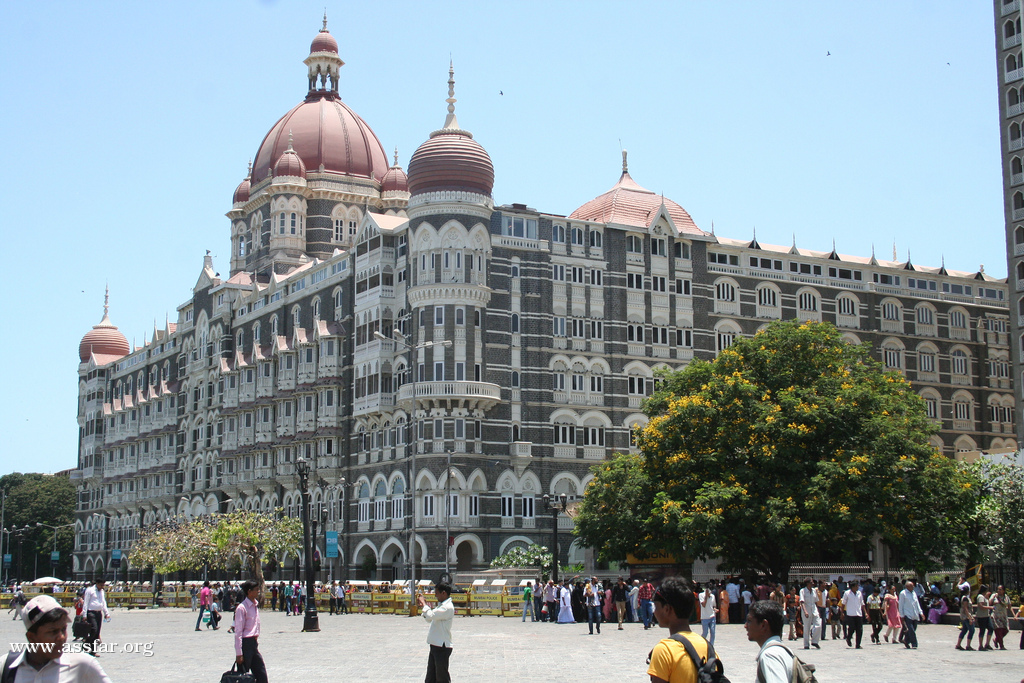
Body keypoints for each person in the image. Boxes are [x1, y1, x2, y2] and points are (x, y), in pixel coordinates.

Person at [0, 594, 111, 682]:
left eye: (63, 629)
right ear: (31, 637)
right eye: (53, 631)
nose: (61, 637)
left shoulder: (82, 665)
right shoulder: (6, 667)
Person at [647, 577, 708, 683]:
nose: (654, 612)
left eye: (656, 607)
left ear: (667, 609)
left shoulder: (664, 650)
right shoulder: (707, 646)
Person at [746, 599, 794, 683]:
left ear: (763, 625)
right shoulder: (785, 651)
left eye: (749, 621)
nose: (745, 626)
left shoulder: (770, 655)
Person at [417, 580, 454, 683]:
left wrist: (424, 604)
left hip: (442, 646)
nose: (435, 596)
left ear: (444, 593)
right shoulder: (442, 605)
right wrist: (425, 608)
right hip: (435, 645)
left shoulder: (447, 607)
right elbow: (429, 618)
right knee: (431, 677)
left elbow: (431, 615)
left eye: (437, 593)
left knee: (442, 677)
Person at [232, 581, 266, 683]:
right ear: (249, 592)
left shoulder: (255, 605)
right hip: (245, 643)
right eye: (256, 590)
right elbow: (238, 632)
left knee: (261, 675)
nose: (258, 592)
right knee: (242, 677)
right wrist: (239, 653)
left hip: (253, 643)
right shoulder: (242, 608)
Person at [82, 578, 110, 657]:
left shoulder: (101, 591)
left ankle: (92, 651)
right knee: (94, 629)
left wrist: (106, 613)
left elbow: (103, 602)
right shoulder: (90, 590)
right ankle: (86, 645)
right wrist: (84, 615)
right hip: (91, 612)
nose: (102, 587)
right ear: (97, 584)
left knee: (97, 633)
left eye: (103, 585)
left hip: (99, 613)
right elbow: (86, 602)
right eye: (101, 585)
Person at [898, 580, 924, 649]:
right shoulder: (903, 593)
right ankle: (914, 644)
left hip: (914, 614)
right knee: (911, 630)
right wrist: (901, 615)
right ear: (907, 587)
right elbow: (901, 605)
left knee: (913, 629)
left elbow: (917, 603)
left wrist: (921, 612)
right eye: (912, 586)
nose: (913, 587)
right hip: (907, 614)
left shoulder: (914, 593)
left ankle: (906, 640)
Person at [798, 578, 821, 650]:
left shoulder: (814, 591)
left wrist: (818, 611)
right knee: (806, 627)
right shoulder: (802, 591)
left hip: (814, 610)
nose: (813, 583)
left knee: (818, 624)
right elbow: (802, 602)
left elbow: (816, 601)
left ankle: (814, 641)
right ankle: (806, 644)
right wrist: (805, 611)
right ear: (807, 583)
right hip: (806, 610)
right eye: (811, 582)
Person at [956, 585, 976, 651]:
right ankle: (968, 645)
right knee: (972, 630)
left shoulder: (963, 597)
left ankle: (958, 644)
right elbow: (965, 608)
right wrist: (970, 618)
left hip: (965, 616)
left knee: (964, 630)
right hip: (966, 616)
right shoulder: (965, 599)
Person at [698, 581, 718, 647]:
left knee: (713, 633)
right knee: (705, 633)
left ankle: (711, 646)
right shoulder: (701, 595)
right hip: (704, 617)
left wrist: (715, 609)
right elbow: (703, 605)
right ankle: (700, 644)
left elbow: (714, 605)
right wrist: (706, 596)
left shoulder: (712, 596)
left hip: (712, 616)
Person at [975, 584, 994, 651]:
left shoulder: (984, 597)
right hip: (981, 616)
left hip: (987, 615)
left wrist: (988, 597)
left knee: (991, 628)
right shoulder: (980, 597)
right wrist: (990, 607)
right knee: (982, 630)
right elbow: (981, 606)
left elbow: (988, 602)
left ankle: (987, 644)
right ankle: (981, 645)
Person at [992, 585, 1010, 650]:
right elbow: (990, 602)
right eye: (998, 589)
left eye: (1000, 589)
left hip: (1003, 616)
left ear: (1003, 590)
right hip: (996, 615)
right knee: (999, 630)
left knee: (1006, 630)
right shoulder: (994, 596)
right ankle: (1001, 646)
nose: (998, 591)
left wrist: (1014, 615)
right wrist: (992, 597)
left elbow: (1009, 606)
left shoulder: (1006, 597)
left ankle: (996, 640)